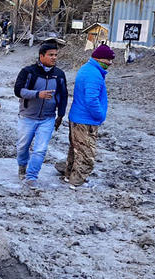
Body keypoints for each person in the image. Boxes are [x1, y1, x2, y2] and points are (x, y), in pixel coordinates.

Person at [13, 42, 68, 189]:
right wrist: (38, 94)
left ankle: (31, 177)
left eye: (56, 55)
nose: (54, 57)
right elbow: (18, 91)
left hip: (47, 118)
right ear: (41, 55)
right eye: (51, 55)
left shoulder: (59, 75)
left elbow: (63, 96)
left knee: (40, 149)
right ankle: (22, 166)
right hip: (27, 117)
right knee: (22, 147)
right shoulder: (28, 72)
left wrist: (60, 115)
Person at [64, 44, 114, 189]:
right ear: (98, 58)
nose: (110, 63)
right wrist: (100, 116)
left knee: (75, 150)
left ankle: (69, 176)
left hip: (78, 117)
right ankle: (76, 182)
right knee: (87, 154)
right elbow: (91, 99)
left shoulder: (86, 69)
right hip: (86, 120)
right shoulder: (94, 75)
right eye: (108, 60)